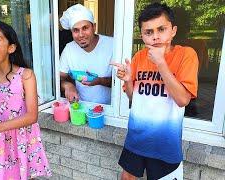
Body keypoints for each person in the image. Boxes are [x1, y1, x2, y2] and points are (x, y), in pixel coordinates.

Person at [111, 3, 198, 180]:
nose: (155, 37)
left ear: (173, 30)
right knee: (127, 177)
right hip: (136, 137)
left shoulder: (186, 55)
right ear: (142, 35)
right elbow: (134, 99)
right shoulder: (139, 57)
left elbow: (183, 100)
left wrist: (161, 64)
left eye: (161, 29)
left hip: (164, 143)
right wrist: (128, 81)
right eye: (148, 32)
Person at [0, 20, 52, 179]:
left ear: (11, 47)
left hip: (23, 139)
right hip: (0, 142)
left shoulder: (26, 75)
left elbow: (32, 116)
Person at [59, 4, 113, 104]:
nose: (81, 35)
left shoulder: (113, 45)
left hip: (110, 110)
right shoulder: (69, 49)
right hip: (81, 107)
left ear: (94, 27)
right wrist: (68, 85)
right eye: (76, 30)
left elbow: (123, 82)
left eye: (85, 28)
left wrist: (100, 81)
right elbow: (59, 78)